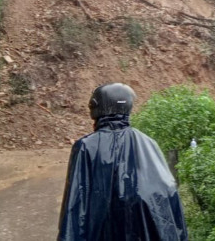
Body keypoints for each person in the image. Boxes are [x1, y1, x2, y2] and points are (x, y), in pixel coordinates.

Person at [58, 83, 188, 241]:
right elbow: (167, 199)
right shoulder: (148, 143)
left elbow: (75, 206)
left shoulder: (86, 147)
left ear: (96, 107)